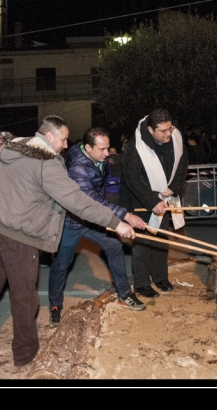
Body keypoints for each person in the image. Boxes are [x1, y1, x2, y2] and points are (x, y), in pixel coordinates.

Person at [0, 116, 136, 368]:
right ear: (50, 136)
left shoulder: (12, 147)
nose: (66, 145)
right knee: (24, 298)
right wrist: (115, 222)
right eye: (64, 139)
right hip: (18, 236)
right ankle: (25, 354)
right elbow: (76, 200)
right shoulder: (46, 162)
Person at [48, 127, 149, 328]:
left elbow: (99, 192)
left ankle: (124, 294)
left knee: (114, 247)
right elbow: (91, 200)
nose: (107, 153)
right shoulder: (77, 169)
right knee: (62, 263)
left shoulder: (99, 159)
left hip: (93, 218)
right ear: (88, 148)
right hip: (73, 221)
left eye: (108, 148)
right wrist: (125, 215)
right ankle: (55, 305)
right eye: (102, 149)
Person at [119, 108, 188, 299]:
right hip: (140, 200)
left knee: (162, 239)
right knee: (143, 242)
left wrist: (174, 187)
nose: (169, 134)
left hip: (165, 197)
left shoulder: (175, 137)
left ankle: (160, 277)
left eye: (170, 128)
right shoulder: (135, 146)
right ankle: (141, 283)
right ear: (150, 130)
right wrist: (152, 201)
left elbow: (182, 163)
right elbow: (132, 178)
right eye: (163, 131)